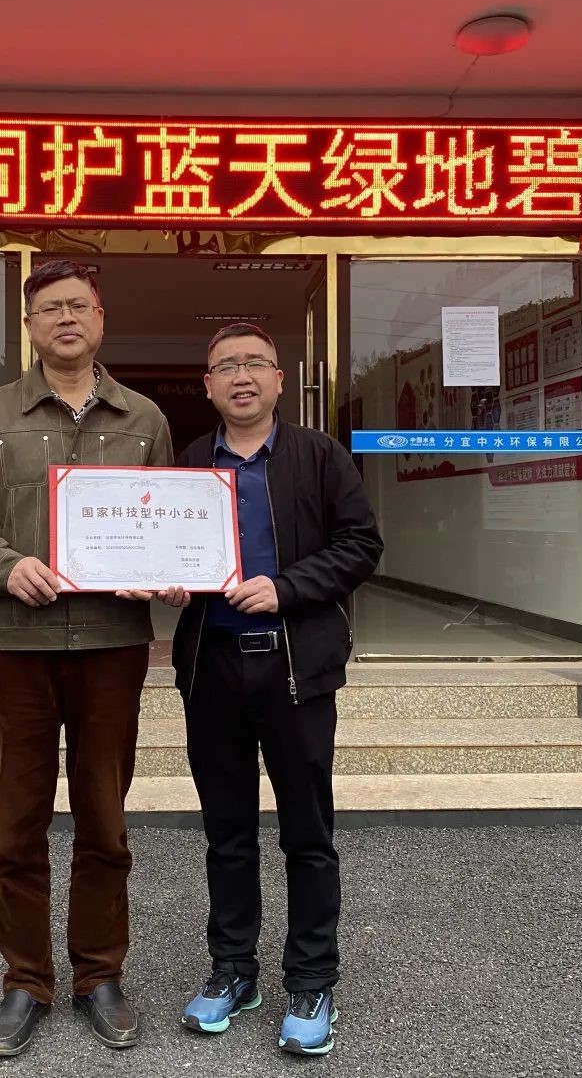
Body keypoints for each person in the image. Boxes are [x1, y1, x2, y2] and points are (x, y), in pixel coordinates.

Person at [0, 259, 172, 1058]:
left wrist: (169, 569)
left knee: (105, 820)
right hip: (18, 647)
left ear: (100, 319)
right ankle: (25, 980)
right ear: (29, 326)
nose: (66, 318)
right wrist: (3, 565)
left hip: (112, 648)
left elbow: (169, 519)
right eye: (50, 308)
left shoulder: (144, 419)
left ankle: (100, 974)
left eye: (79, 305)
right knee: (17, 823)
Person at [170, 321, 382, 1057]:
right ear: (207, 385)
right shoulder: (189, 463)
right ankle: (233, 970)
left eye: (255, 363)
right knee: (226, 832)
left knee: (306, 833)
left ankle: (312, 979)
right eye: (226, 365)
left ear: (279, 379)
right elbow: (167, 545)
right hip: (212, 667)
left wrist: (286, 588)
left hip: (296, 671)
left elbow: (361, 545)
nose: (242, 376)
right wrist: (169, 580)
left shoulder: (320, 456)